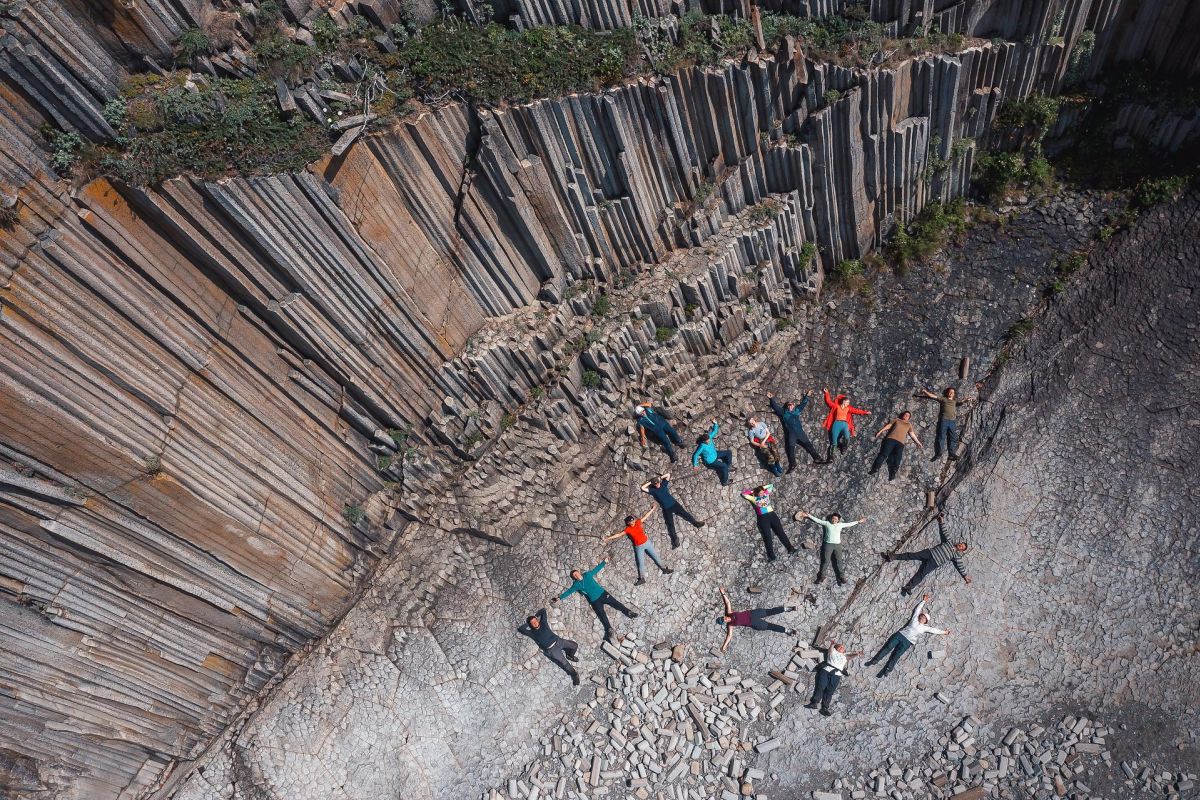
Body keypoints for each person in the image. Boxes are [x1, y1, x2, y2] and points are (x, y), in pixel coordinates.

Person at [882, 513, 971, 594]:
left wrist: (965, 576)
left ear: (961, 550)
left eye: (962, 547)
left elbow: (960, 566)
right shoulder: (949, 542)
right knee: (912, 555)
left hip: (934, 563)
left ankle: (909, 587)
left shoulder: (956, 556)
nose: (960, 545)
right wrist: (941, 522)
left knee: (921, 574)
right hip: (930, 553)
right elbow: (944, 532)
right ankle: (892, 557)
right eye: (961, 544)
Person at [864, 594, 949, 678]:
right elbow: (917, 609)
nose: (922, 618)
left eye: (924, 618)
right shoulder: (915, 618)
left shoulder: (925, 628)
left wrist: (944, 632)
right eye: (922, 616)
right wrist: (923, 601)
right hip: (900, 635)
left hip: (908, 642)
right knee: (888, 647)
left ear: (926, 621)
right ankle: (875, 660)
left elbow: (934, 630)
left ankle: (887, 669)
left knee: (896, 655)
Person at [554, 562, 638, 642]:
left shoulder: (587, 575)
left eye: (576, 573)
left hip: (602, 594)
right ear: (574, 577)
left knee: (616, 603)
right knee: (602, 614)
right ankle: (609, 629)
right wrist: (560, 597)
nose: (576, 575)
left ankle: (629, 612)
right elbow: (569, 592)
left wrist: (604, 562)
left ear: (579, 572)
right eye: (574, 576)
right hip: (594, 601)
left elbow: (596, 569)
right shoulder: (576, 585)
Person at [602, 507, 674, 585]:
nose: (633, 522)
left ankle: (664, 569)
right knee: (641, 562)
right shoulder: (628, 529)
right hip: (638, 547)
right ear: (628, 523)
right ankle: (642, 578)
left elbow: (645, 517)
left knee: (656, 556)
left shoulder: (638, 522)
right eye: (631, 522)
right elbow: (619, 534)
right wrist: (608, 538)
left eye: (633, 520)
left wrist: (652, 509)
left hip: (647, 543)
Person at [718, 586, 797, 652]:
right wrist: (724, 646)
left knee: (770, 611)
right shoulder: (731, 625)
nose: (725, 618)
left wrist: (723, 593)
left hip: (753, 613)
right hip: (753, 623)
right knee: (771, 626)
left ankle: (787, 609)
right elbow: (729, 636)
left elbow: (728, 603)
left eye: (723, 618)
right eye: (724, 620)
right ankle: (787, 630)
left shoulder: (729, 613)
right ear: (725, 622)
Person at [799, 511, 866, 585]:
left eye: (836, 519)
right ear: (831, 518)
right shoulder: (827, 523)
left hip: (838, 546)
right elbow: (818, 520)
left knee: (839, 561)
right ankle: (821, 576)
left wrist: (858, 521)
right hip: (828, 545)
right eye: (833, 518)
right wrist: (808, 515)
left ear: (838, 520)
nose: (834, 520)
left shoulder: (840, 525)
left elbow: (849, 524)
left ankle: (842, 577)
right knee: (826, 561)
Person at [518, 608, 581, 685]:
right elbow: (521, 629)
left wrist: (535, 616)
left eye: (535, 621)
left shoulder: (543, 623)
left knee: (575, 645)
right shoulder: (532, 633)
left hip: (559, 641)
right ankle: (574, 675)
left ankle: (570, 655)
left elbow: (543, 611)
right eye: (532, 623)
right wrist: (529, 622)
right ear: (531, 625)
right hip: (552, 650)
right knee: (564, 663)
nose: (534, 623)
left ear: (537, 620)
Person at [640, 472, 705, 548]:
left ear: (659, 482)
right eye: (655, 484)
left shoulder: (664, 484)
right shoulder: (653, 490)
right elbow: (642, 488)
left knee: (685, 514)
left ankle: (696, 523)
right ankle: (675, 541)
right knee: (670, 525)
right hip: (666, 509)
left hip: (674, 504)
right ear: (653, 485)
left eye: (657, 483)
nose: (657, 484)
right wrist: (650, 482)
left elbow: (668, 475)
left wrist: (660, 478)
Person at [767, 390, 825, 471]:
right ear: (787, 406)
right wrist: (771, 399)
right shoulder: (784, 412)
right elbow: (776, 407)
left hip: (800, 432)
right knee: (790, 449)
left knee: (809, 445)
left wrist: (807, 395)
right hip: (792, 434)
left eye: (791, 405)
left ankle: (816, 457)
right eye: (789, 405)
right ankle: (793, 464)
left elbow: (803, 404)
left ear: (794, 406)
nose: (790, 406)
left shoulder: (797, 410)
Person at [740, 483, 796, 562]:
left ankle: (790, 548)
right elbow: (743, 494)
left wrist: (761, 488)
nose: (762, 493)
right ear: (757, 494)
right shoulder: (754, 498)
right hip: (763, 518)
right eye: (760, 493)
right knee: (767, 537)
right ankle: (772, 556)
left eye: (763, 492)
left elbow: (771, 485)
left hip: (772, 516)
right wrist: (754, 491)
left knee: (781, 532)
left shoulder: (766, 494)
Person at [806, 642, 863, 716]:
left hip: (837, 674)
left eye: (843, 647)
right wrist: (832, 644)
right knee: (821, 686)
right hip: (827, 670)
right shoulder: (833, 651)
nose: (842, 647)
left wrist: (857, 654)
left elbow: (849, 657)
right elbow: (830, 650)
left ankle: (824, 708)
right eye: (840, 646)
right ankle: (814, 702)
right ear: (836, 648)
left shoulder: (844, 656)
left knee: (830, 690)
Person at [917, 386, 970, 461]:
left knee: (952, 438)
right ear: (947, 393)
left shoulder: (955, 402)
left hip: (952, 422)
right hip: (944, 420)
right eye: (950, 392)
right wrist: (925, 392)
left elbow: (962, 402)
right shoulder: (943, 399)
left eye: (952, 392)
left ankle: (951, 454)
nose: (951, 393)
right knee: (941, 436)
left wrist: (966, 399)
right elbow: (933, 396)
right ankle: (939, 453)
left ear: (954, 394)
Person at [869, 411, 923, 481]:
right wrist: (880, 431)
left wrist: (918, 442)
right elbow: (888, 426)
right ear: (903, 415)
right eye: (905, 414)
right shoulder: (897, 420)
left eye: (908, 415)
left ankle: (893, 473)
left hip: (900, 443)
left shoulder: (908, 425)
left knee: (898, 458)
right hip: (891, 439)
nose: (906, 416)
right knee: (884, 454)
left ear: (909, 418)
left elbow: (912, 434)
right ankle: (875, 468)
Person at [821, 388, 871, 462]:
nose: (848, 404)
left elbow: (856, 411)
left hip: (844, 424)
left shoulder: (848, 408)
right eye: (847, 402)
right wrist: (827, 393)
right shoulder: (836, 406)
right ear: (844, 401)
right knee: (834, 442)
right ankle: (831, 458)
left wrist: (865, 412)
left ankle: (844, 447)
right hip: (836, 424)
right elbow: (829, 402)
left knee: (847, 437)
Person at [692, 419, 733, 485]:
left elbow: (714, 431)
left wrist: (715, 423)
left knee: (729, 452)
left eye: (709, 440)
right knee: (724, 466)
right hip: (711, 461)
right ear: (704, 441)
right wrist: (695, 465)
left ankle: (729, 466)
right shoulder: (702, 446)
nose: (709, 441)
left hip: (715, 454)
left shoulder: (709, 437)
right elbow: (696, 455)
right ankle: (725, 481)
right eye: (707, 441)